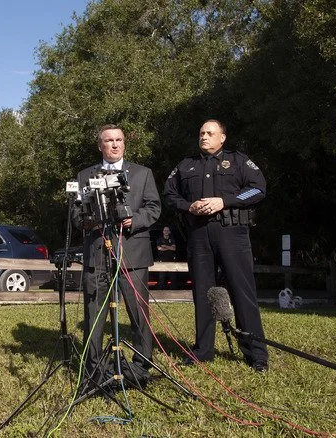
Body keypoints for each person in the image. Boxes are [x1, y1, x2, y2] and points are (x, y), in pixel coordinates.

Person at [163, 119, 269, 372]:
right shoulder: (185, 165)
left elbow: (258, 189)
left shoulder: (239, 161)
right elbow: (169, 194)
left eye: (210, 133)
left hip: (232, 234)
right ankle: (202, 351)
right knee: (203, 293)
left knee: (242, 293)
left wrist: (226, 201)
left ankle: (256, 354)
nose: (204, 137)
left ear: (223, 137)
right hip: (198, 235)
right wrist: (187, 206)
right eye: (201, 133)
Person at [73, 124, 161, 390]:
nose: (114, 144)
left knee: (138, 313)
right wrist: (89, 221)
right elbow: (76, 214)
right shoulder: (85, 175)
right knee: (94, 313)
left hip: (132, 252)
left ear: (124, 143)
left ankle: (141, 367)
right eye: (108, 140)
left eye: (119, 140)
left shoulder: (143, 173)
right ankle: (95, 370)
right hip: (98, 253)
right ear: (100, 145)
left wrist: (134, 220)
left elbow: (154, 208)